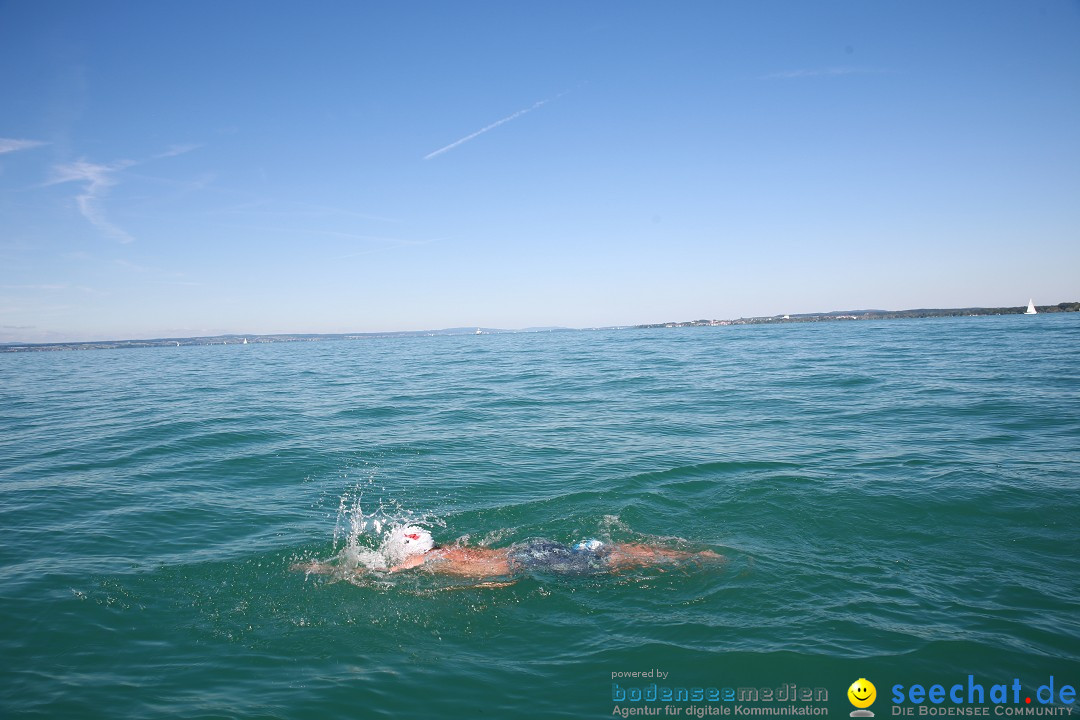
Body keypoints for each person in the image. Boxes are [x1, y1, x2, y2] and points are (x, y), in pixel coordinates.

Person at [293, 525, 723, 579]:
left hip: (526, 561)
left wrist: (319, 566)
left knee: (603, 562)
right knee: (602, 548)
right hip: (530, 545)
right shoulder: (455, 547)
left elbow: (374, 576)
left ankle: (690, 561)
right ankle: (689, 553)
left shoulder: (422, 560)